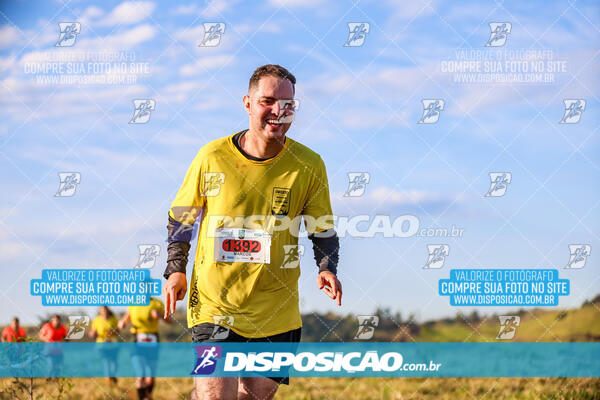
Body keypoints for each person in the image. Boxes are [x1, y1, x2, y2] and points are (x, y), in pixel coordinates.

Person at [163, 64, 342, 399]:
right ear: (247, 103)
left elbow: (321, 226)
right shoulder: (212, 157)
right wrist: (176, 270)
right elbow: (182, 216)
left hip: (276, 308)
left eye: (287, 104)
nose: (278, 111)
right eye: (267, 101)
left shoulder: (309, 164)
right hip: (215, 304)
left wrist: (327, 267)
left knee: (256, 395)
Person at [119, 297, 171, 400]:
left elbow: (170, 321)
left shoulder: (157, 303)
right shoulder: (133, 303)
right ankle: (142, 398)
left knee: (150, 377)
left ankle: (148, 395)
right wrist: (122, 323)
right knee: (140, 374)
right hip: (137, 340)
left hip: (153, 340)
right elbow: (125, 318)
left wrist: (159, 315)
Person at [89, 306, 120, 385]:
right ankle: (108, 380)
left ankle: (112, 375)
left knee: (114, 363)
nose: (104, 311)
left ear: (108, 310)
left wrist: (113, 331)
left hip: (113, 344)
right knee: (106, 362)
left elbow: (119, 330)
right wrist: (92, 334)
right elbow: (92, 332)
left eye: (105, 310)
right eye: (102, 310)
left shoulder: (114, 319)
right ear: (100, 311)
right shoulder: (97, 320)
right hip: (102, 345)